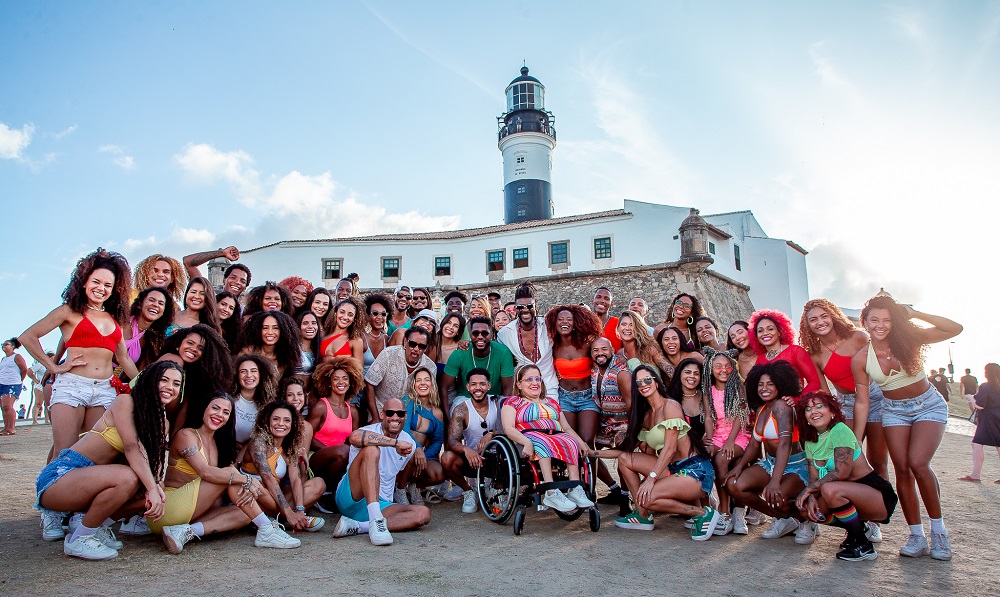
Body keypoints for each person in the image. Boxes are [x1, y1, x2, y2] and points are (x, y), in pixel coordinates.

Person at [850, 294, 961, 560]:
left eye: (887, 320)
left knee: (918, 464)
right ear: (864, 321)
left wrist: (914, 313)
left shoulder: (908, 338)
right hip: (893, 411)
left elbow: (954, 329)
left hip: (928, 405)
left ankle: (939, 532)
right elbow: (863, 403)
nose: (881, 325)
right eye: (874, 319)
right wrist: (855, 438)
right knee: (901, 469)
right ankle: (917, 536)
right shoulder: (861, 358)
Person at [34, 361, 182, 559]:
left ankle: (95, 525)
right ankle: (79, 539)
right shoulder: (126, 402)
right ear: (149, 379)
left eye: (176, 383)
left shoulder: (161, 420)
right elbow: (132, 447)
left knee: (153, 487)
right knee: (130, 478)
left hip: (91, 482)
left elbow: (148, 461)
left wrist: (155, 490)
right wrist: (152, 488)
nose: (169, 387)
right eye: (164, 380)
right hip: (61, 478)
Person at [19, 248, 140, 459]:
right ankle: (49, 491)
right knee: (63, 451)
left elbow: (124, 358)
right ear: (84, 281)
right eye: (96, 282)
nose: (101, 288)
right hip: (72, 387)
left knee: (88, 455)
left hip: (104, 390)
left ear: (115, 290)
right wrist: (54, 366)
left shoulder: (115, 319)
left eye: (107, 285)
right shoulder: (69, 311)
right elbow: (28, 337)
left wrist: (142, 383)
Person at [152, 392, 302, 552]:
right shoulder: (186, 434)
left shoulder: (218, 443)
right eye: (215, 408)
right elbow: (205, 472)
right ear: (204, 408)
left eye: (225, 412)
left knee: (246, 512)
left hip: (193, 512)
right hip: (168, 509)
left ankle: (184, 532)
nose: (219, 415)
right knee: (233, 478)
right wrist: (246, 480)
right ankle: (267, 529)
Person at [607, 365, 718, 539]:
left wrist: (651, 479)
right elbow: (628, 450)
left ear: (656, 382)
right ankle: (643, 516)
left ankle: (702, 513)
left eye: (647, 380)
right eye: (639, 382)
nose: (643, 384)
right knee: (624, 458)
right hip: (673, 470)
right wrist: (591, 453)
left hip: (695, 471)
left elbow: (670, 448)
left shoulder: (671, 406)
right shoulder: (647, 416)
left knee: (648, 497)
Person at [794, 391, 897, 562]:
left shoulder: (840, 430)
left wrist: (809, 489)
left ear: (832, 411)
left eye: (820, 406)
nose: (814, 411)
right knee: (805, 509)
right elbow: (813, 477)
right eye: (808, 409)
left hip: (875, 495)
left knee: (829, 489)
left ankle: (862, 545)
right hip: (846, 495)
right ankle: (857, 530)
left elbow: (841, 473)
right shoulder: (810, 440)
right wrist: (810, 496)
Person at [798, 298, 888, 485]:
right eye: (813, 319)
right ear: (807, 325)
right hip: (846, 404)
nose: (820, 322)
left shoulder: (858, 337)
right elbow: (823, 391)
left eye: (824, 316)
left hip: (876, 399)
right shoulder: (814, 354)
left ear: (833, 317)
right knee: (847, 460)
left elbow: (881, 366)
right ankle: (855, 508)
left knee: (878, 462)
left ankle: (881, 509)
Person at [724, 361, 814, 544]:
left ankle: (806, 521)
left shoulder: (783, 406)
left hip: (794, 465)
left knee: (776, 495)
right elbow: (754, 445)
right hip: (771, 463)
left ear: (781, 384)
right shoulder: (762, 409)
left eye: (770, 384)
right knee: (734, 484)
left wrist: (774, 481)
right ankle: (785, 519)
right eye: (760, 384)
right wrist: (739, 467)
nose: (764, 388)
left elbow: (784, 445)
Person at [332, 397, 432, 546]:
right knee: (372, 451)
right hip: (352, 496)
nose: (395, 417)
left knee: (423, 513)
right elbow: (354, 437)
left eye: (400, 414)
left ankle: (359, 527)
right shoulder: (369, 430)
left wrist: (417, 450)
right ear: (382, 414)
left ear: (405, 416)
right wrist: (395, 443)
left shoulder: (409, 442)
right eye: (390, 413)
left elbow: (399, 472)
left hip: (381, 503)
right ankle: (376, 519)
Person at [501, 364, 596, 513]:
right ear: (519, 384)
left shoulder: (551, 403)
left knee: (571, 442)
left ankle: (575, 488)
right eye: (529, 379)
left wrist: (580, 442)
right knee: (543, 441)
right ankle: (551, 492)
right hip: (528, 437)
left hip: (556, 435)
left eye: (538, 379)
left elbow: (567, 428)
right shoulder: (512, 402)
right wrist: (526, 442)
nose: (535, 383)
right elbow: (508, 428)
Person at [241, 401, 326, 532]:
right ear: (267, 421)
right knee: (259, 488)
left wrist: (300, 509)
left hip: (275, 500)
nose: (281, 424)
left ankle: (289, 519)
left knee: (318, 484)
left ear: (292, 424)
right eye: (276, 419)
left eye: (286, 420)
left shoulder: (289, 446)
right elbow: (267, 478)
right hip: (256, 497)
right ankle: (287, 518)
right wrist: (288, 512)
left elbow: (295, 479)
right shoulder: (258, 442)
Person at [701, 349, 751, 535]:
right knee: (709, 455)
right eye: (718, 366)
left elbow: (740, 416)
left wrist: (730, 441)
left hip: (737, 435)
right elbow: (708, 417)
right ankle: (713, 504)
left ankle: (727, 510)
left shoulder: (738, 386)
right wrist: (708, 438)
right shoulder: (708, 390)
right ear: (710, 369)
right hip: (717, 434)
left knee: (723, 459)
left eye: (727, 366)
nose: (723, 369)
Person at [442, 368, 501, 514]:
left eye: (482, 384)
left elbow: (511, 428)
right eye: (474, 384)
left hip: (498, 458)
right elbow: (452, 441)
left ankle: (496, 490)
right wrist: (466, 449)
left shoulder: (498, 403)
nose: (478, 388)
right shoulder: (461, 409)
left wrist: (492, 434)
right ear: (468, 387)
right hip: (474, 459)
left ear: (489, 385)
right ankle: (468, 492)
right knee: (447, 458)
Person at [155, 324, 233, 434]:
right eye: (190, 343)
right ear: (179, 343)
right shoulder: (174, 360)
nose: (193, 349)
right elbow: (152, 394)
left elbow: (184, 411)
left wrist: (173, 439)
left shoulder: (190, 375)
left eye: (200, 348)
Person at [545, 305, 603, 450]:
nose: (565, 322)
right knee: (571, 442)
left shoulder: (587, 343)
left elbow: (604, 354)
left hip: (588, 397)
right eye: (561, 319)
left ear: (575, 323)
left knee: (588, 441)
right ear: (555, 322)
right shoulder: (552, 345)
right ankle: (575, 473)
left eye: (569, 319)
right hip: (564, 398)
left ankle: (591, 473)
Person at [590, 337, 632, 513]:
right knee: (587, 450)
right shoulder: (592, 371)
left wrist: (631, 429)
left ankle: (624, 497)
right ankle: (613, 489)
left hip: (623, 421)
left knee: (623, 454)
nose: (600, 353)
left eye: (604, 349)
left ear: (612, 350)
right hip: (603, 422)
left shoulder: (621, 371)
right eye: (595, 350)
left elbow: (630, 403)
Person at [440, 317, 515, 417]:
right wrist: (447, 419)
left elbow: (507, 390)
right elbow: (443, 386)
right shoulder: (460, 352)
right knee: (458, 415)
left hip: (493, 399)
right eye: (475, 333)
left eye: (485, 333)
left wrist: (503, 418)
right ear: (470, 334)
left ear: (491, 334)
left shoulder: (503, 353)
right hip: (465, 397)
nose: (480, 337)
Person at [308, 357, 363, 492]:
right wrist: (330, 450)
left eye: (345, 378)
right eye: (336, 379)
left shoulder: (353, 411)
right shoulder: (321, 406)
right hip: (316, 457)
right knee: (343, 451)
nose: (341, 382)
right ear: (329, 383)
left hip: (341, 458)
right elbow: (307, 435)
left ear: (351, 382)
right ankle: (326, 493)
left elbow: (354, 441)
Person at [497, 282, 558, 399]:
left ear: (536, 306)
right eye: (520, 307)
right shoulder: (504, 334)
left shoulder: (549, 326)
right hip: (522, 393)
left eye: (530, 306)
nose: (525, 310)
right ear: (516, 308)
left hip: (550, 390)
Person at [395, 367, 446, 505]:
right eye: (419, 380)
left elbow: (437, 441)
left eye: (426, 380)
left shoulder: (437, 413)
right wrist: (416, 449)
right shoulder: (408, 400)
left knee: (438, 473)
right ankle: (399, 489)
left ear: (432, 384)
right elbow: (404, 429)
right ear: (414, 384)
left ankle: (414, 487)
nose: (423, 383)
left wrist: (424, 455)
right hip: (402, 450)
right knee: (411, 454)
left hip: (421, 453)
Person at [364, 326, 436, 420]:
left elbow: (428, 398)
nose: (416, 349)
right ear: (405, 342)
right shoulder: (388, 355)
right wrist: (375, 417)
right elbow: (369, 383)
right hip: (380, 408)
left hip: (409, 413)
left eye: (421, 346)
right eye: (412, 344)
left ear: (426, 348)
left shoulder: (430, 367)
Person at [748, 309, 822, 393]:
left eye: (770, 329)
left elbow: (814, 382)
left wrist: (798, 400)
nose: (765, 333)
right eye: (760, 331)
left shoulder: (795, 351)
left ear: (779, 332)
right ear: (756, 336)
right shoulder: (760, 359)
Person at [959, 363, 1000, 483]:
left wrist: (972, 399)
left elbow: (981, 406)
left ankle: (975, 474)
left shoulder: (985, 386)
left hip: (988, 419)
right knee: (999, 446)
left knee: (977, 444)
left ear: (988, 373)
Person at [123, 287, 175, 370]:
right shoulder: (122, 321)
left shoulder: (151, 339)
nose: (155, 304)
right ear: (140, 303)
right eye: (151, 300)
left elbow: (140, 372)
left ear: (164, 312)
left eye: (161, 303)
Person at [239, 310, 301, 379]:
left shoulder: (285, 357)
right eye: (265, 328)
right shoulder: (248, 352)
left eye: (275, 328)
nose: (270, 332)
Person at [232, 354, 277, 447]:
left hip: (250, 453)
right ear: (236, 375)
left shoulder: (267, 404)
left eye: (253, 371)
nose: (249, 375)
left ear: (261, 374)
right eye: (243, 371)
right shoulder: (228, 399)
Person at [615, 310, 668, 375]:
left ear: (638, 328)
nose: (627, 328)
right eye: (624, 324)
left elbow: (671, 373)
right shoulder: (620, 353)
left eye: (632, 325)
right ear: (618, 328)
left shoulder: (649, 349)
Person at [320, 298, 365, 363]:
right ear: (335, 313)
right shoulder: (322, 336)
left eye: (350, 315)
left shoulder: (356, 341)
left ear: (354, 319)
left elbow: (359, 370)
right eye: (342, 312)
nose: (345, 317)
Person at [1, 338, 28, 435]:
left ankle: (11, 428)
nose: (3, 345)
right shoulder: (3, 359)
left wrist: (21, 379)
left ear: (12, 346)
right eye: (2, 344)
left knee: (8, 406)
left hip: (13, 384)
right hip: (2, 384)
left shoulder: (17, 357)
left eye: (6, 344)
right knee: (3, 407)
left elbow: (24, 369)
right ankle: (6, 428)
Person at [436, 312, 465, 386]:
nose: (451, 327)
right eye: (448, 323)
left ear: (458, 331)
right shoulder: (430, 343)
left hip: (451, 393)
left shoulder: (459, 349)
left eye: (456, 326)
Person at [592, 287, 621, 352]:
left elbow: (628, 346)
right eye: (598, 297)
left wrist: (622, 355)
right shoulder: (584, 323)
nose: (602, 301)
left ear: (611, 304)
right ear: (592, 300)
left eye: (606, 299)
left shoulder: (619, 323)